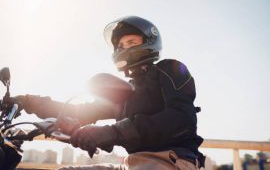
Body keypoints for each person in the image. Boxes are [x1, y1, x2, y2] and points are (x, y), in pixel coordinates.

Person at [14, 16, 205, 169]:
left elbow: (181, 118)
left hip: (171, 159)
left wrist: (112, 132)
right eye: (121, 46)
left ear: (149, 41)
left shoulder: (169, 69)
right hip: (132, 163)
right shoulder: (123, 92)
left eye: (131, 41)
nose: (125, 49)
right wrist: (27, 101)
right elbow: (78, 111)